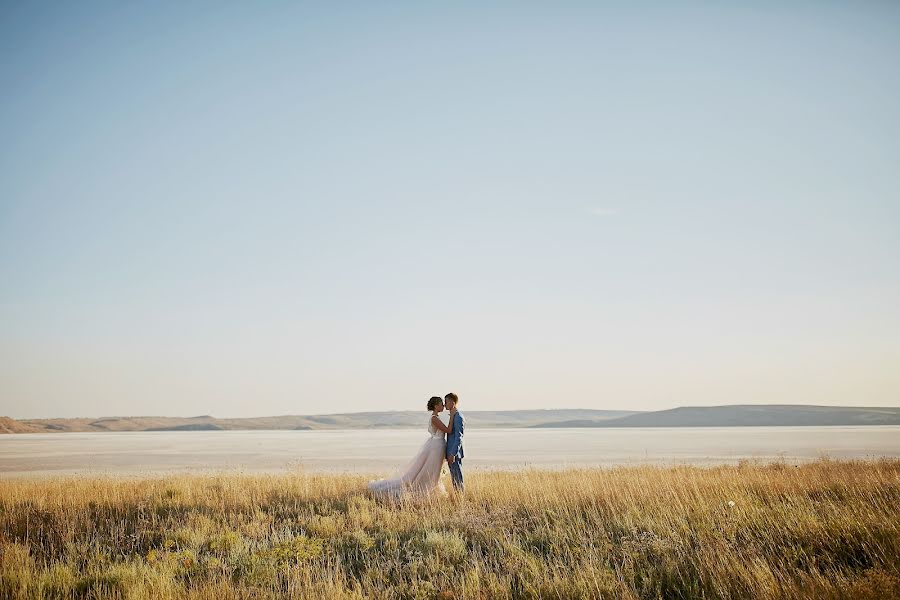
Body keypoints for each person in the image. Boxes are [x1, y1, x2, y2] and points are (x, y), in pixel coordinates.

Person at [367, 396, 455, 499]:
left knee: (433, 471)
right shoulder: (434, 418)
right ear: (436, 406)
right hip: (436, 448)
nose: (443, 405)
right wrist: (452, 416)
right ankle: (424, 491)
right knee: (431, 471)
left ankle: (430, 491)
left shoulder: (436, 417)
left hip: (437, 446)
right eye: (441, 404)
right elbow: (448, 430)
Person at [444, 392, 465, 492]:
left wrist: (453, 453)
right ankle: (458, 499)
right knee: (455, 480)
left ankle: (461, 500)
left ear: (452, 402)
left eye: (446, 401)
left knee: (458, 480)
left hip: (454, 454)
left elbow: (459, 437)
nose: (444, 404)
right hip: (450, 453)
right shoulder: (453, 416)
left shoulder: (458, 417)